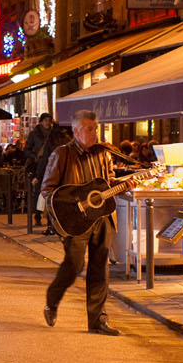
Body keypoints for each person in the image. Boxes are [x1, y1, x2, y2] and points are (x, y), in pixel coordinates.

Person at [39, 110, 122, 335]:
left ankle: (97, 320)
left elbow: (108, 182)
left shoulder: (104, 154)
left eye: (96, 129)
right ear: (76, 131)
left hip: (102, 217)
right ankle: (52, 299)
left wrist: (124, 184)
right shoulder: (62, 154)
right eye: (89, 129)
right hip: (75, 220)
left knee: (100, 269)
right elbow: (47, 189)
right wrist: (69, 206)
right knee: (75, 265)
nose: (94, 133)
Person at [24, 113, 57, 232]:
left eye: (49, 120)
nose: (48, 123)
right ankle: (37, 215)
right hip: (37, 165)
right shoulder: (34, 134)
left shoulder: (53, 134)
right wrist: (35, 157)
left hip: (50, 165)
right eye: (46, 120)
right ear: (41, 121)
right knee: (38, 191)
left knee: (49, 190)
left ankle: (49, 218)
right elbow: (26, 150)